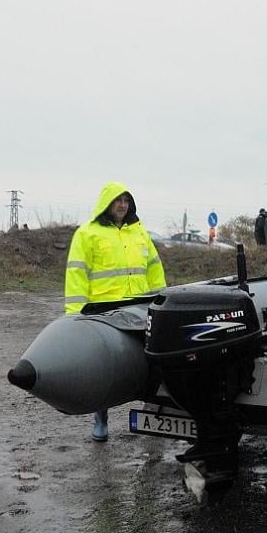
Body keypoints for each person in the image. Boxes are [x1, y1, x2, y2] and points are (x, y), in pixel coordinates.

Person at [65, 182, 166, 440]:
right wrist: (75, 314)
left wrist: (162, 303)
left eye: (126, 200)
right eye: (117, 200)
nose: (122, 205)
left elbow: (154, 269)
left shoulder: (140, 233)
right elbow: (76, 274)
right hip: (104, 312)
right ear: (106, 203)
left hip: (140, 308)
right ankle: (101, 417)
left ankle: (153, 411)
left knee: (151, 360)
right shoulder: (87, 233)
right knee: (104, 367)